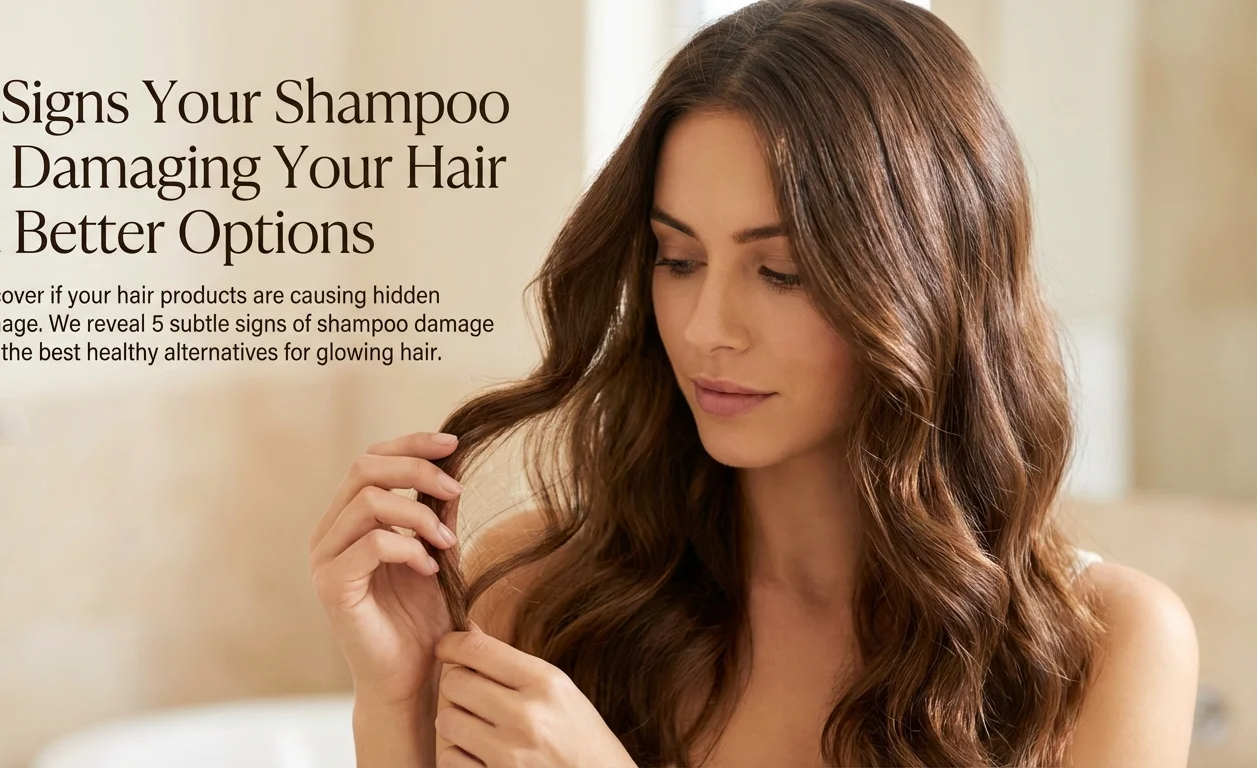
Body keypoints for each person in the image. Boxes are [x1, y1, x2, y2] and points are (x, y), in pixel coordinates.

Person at [308, 0, 1199, 765]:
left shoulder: (1104, 648)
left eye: (782, 273)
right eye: (678, 257)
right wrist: (397, 700)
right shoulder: (545, 590)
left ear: (923, 282)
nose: (706, 330)